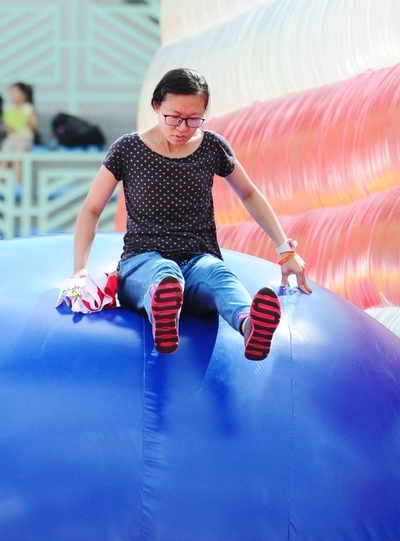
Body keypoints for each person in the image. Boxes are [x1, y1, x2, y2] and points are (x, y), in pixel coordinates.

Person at [73, 68, 312, 360]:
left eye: (194, 118)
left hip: (198, 260)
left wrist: (286, 251)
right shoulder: (128, 149)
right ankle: (163, 313)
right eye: (174, 117)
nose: (182, 127)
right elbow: (91, 209)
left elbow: (249, 193)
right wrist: (79, 269)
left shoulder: (211, 146)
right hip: (142, 261)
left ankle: (250, 325)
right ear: (156, 106)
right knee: (165, 274)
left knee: (219, 274)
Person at [0, 82, 38, 182]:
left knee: (16, 159)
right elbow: (6, 126)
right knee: (4, 158)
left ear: (24, 94)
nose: (12, 96)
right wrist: (7, 126)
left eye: (15, 92)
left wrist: (26, 120)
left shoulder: (28, 108)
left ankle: (17, 184)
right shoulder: (8, 108)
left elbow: (34, 126)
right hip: (11, 138)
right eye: (11, 93)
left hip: (24, 138)